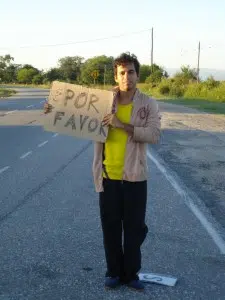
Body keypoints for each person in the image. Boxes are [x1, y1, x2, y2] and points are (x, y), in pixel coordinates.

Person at [44, 52, 161, 292]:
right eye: (122, 73)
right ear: (116, 77)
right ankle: (113, 273)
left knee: (134, 230)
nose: (126, 76)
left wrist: (122, 125)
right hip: (108, 177)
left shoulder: (148, 104)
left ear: (137, 74)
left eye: (130, 72)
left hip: (135, 178)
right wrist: (53, 109)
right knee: (110, 228)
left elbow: (154, 135)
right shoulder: (104, 101)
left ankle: (131, 274)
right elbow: (76, 115)